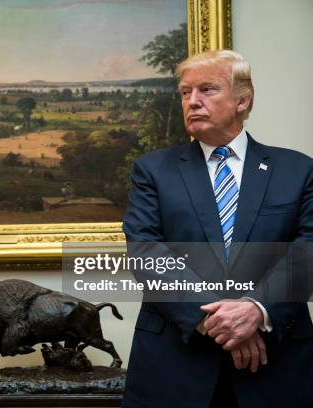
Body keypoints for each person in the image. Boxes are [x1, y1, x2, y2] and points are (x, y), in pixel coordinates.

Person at [122, 50, 312, 407]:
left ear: (243, 99)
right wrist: (216, 322)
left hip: (277, 367)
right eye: (184, 92)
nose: (192, 102)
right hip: (175, 366)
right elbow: (145, 251)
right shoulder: (152, 170)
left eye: (207, 89)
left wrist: (257, 309)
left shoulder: (298, 170)